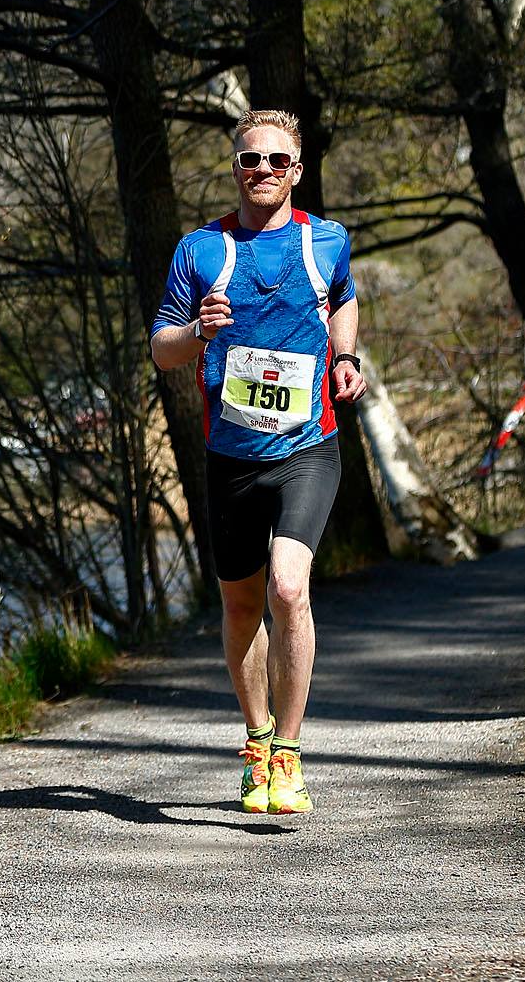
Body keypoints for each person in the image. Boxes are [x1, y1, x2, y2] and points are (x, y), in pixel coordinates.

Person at [148, 110, 366, 814]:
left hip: (307, 447)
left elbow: (344, 300)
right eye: (250, 161)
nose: (263, 170)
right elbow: (162, 349)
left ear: (296, 170)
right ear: (235, 169)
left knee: (289, 588)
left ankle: (292, 756)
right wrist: (197, 329)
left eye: (277, 160)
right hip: (231, 457)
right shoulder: (200, 250)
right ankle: (257, 744)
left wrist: (346, 358)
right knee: (241, 605)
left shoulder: (324, 240)